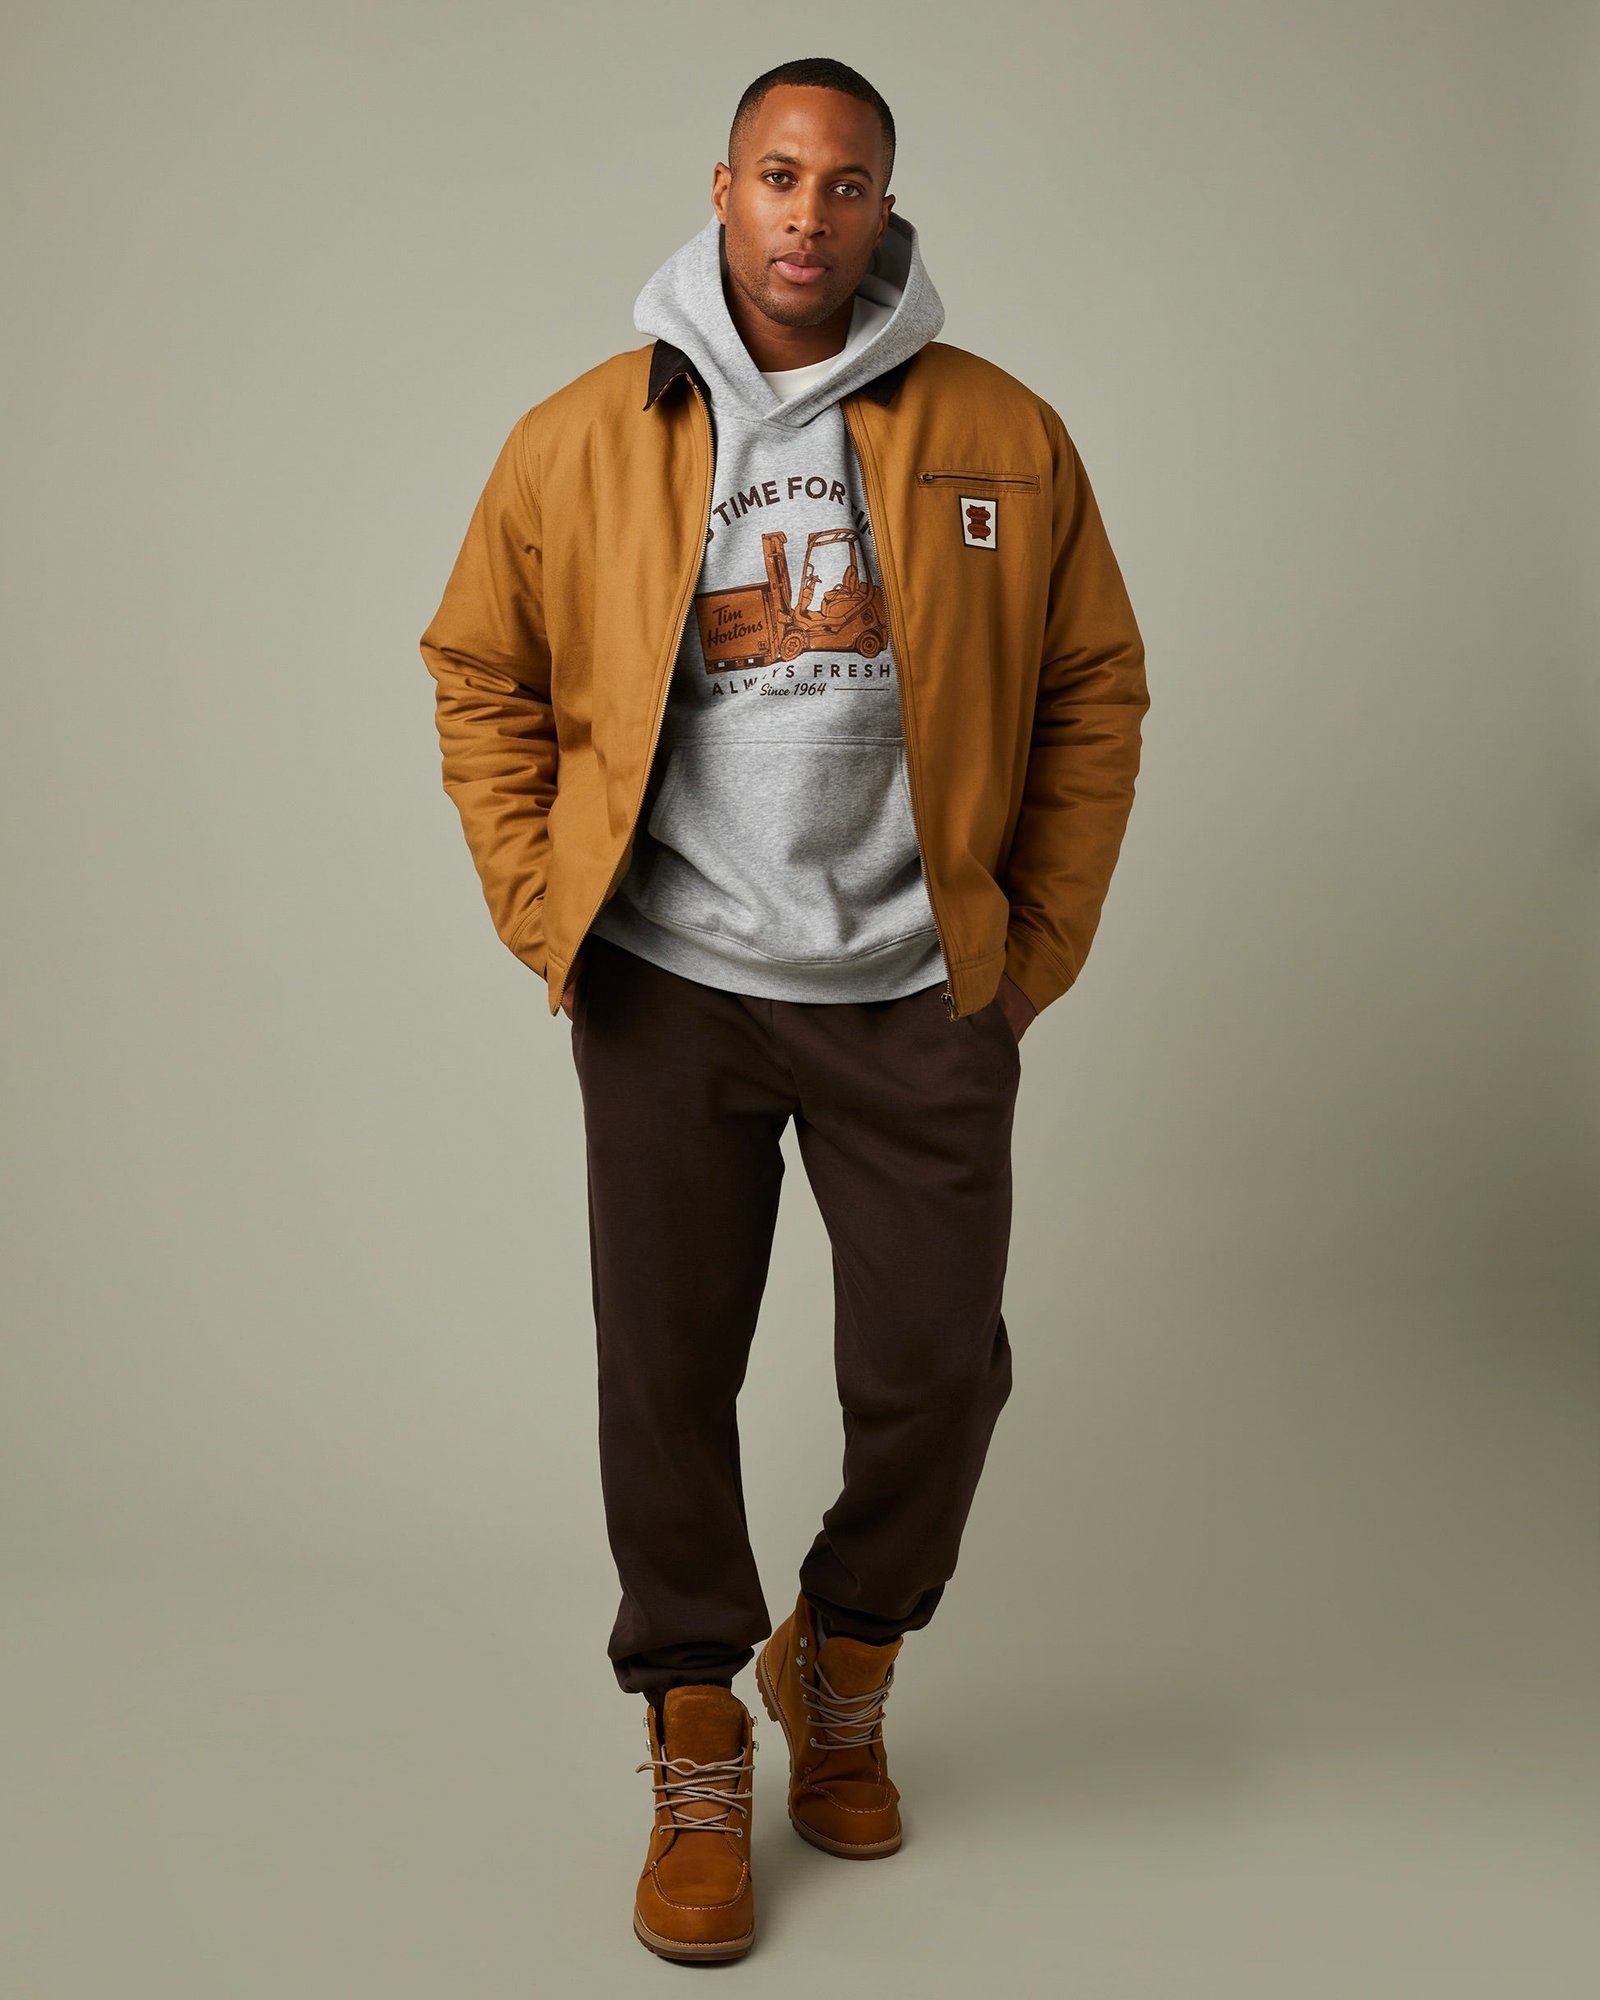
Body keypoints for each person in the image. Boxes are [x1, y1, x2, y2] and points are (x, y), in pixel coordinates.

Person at [419, 55, 1149, 1966]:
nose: (808, 214)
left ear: (886, 205)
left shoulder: (1003, 432)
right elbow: (479, 667)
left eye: (845, 184)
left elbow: (1095, 681)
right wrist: (546, 906)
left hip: (916, 985)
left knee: (936, 1371)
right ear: (723, 188)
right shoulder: (585, 434)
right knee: (665, 1372)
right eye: (777, 176)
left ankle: (843, 1653)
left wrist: (1032, 947)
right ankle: (692, 1731)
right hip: (671, 984)